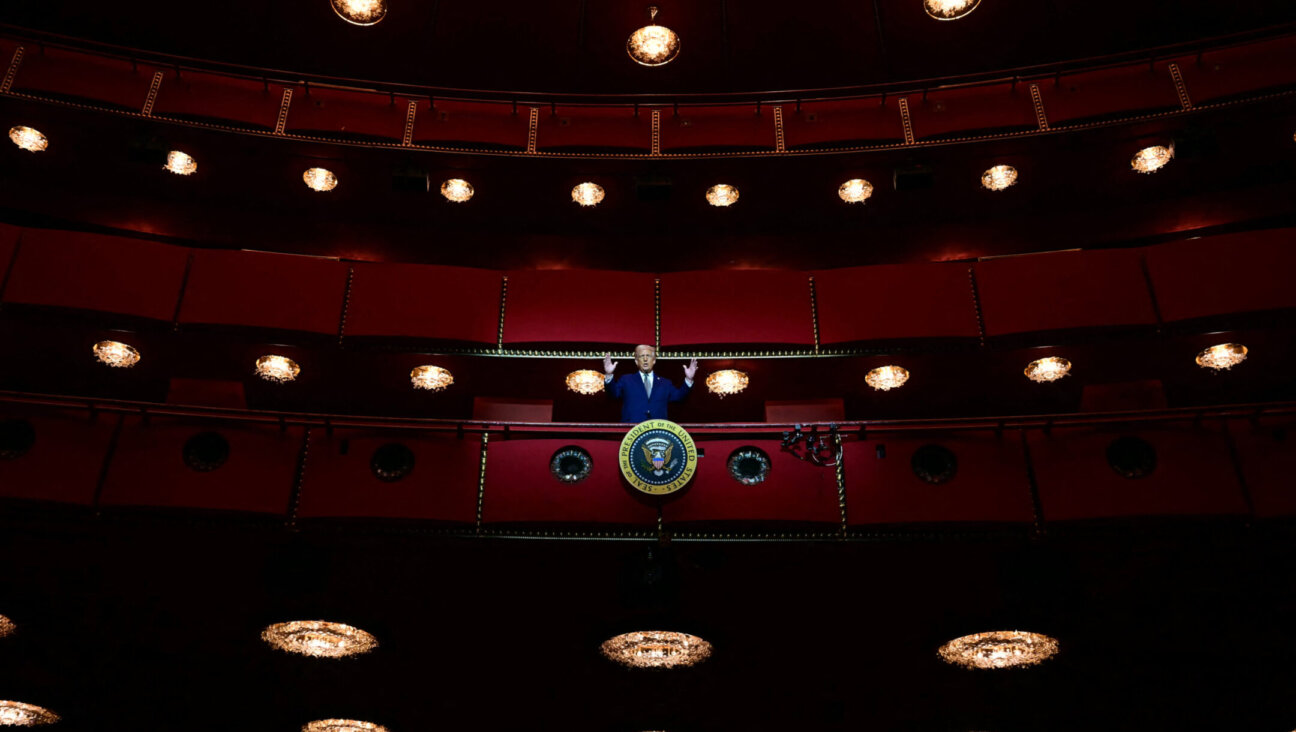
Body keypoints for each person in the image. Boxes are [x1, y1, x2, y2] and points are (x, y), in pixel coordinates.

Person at [603, 345, 698, 423]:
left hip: (657, 431)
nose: (645, 359)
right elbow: (613, 394)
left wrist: (689, 379)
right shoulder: (626, 379)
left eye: (648, 356)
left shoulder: (665, 383)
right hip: (631, 430)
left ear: (654, 360)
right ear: (636, 361)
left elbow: (679, 397)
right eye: (641, 356)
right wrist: (608, 374)